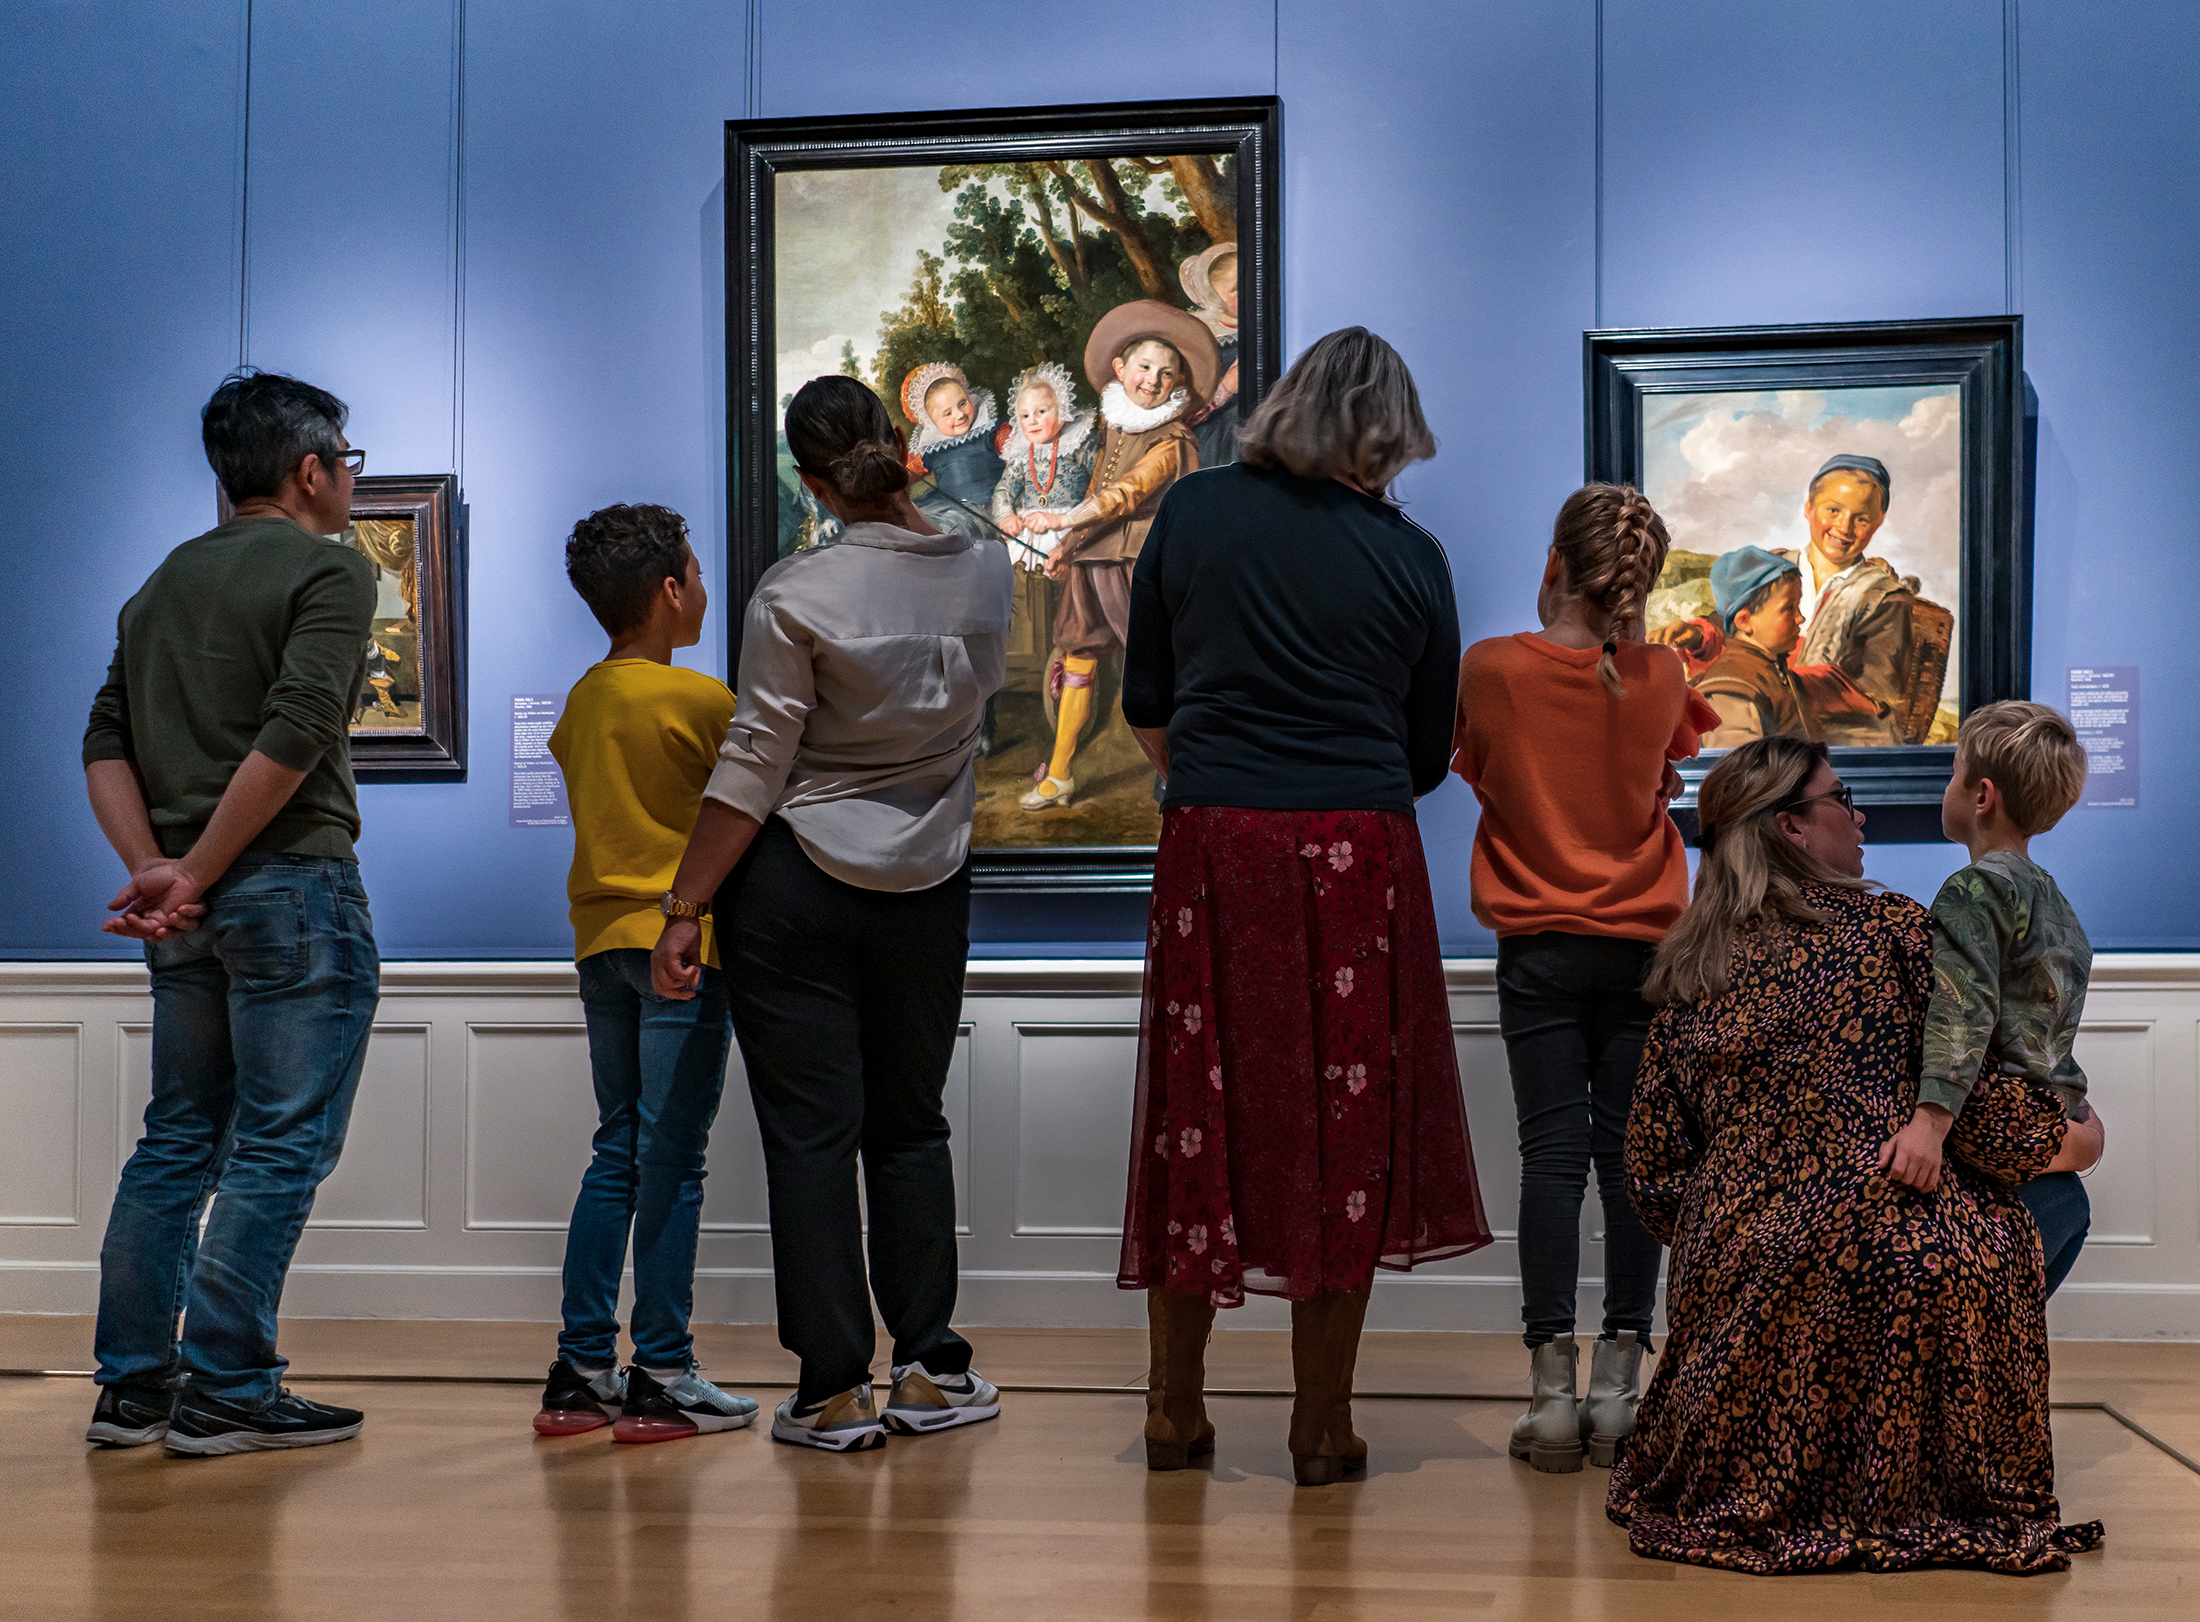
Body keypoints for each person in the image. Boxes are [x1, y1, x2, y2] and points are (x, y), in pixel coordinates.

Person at [1116, 326, 1490, 1487]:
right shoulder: (1410, 555)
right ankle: (1321, 1425)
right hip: (1355, 855)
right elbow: (1424, 758)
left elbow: (1144, 698)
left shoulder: (1192, 508)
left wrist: (1218, 776)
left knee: (1196, 1109)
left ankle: (1174, 1411)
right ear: (1389, 436)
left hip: (1214, 842)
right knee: (1345, 1125)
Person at [1608, 736, 2105, 1574]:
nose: (1860, 813)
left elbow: (1655, 1179)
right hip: (1892, 1261)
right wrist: (2080, 1138)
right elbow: (1981, 1115)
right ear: (1793, 827)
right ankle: (1920, 1440)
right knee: (2058, 1202)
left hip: (1732, 1283)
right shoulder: (1892, 931)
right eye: (1842, 798)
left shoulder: (1689, 974)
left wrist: (1747, 1219)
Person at [650, 375, 1012, 1453]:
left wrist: (685, 904)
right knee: (912, 1124)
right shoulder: (984, 566)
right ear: (900, 443)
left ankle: (832, 1390)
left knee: (813, 1137)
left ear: (811, 482)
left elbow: (754, 763)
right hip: (931, 878)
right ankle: (930, 1368)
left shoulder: (793, 591)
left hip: (796, 881)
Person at [82, 370, 380, 1456]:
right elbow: (296, 731)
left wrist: (157, 870)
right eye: (347, 460)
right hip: (293, 888)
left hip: (192, 911)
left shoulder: (162, 581)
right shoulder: (332, 569)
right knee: (279, 1144)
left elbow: (103, 738)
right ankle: (228, 1386)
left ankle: (133, 1389)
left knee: (177, 1139)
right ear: (309, 470)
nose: (351, 479)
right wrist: (195, 870)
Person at [1452, 484, 1719, 1474]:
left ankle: (1550, 1400)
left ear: (1554, 564)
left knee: (1552, 1161)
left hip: (1538, 946)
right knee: (1630, 1162)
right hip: (1646, 946)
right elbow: (1664, 769)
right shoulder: (1661, 671)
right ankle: (1619, 1393)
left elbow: (1478, 767)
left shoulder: (1491, 668)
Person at [532, 503, 759, 1445]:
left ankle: (582, 1369)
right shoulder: (702, 703)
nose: (702, 588)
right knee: (673, 1159)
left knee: (617, 1148)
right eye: (695, 573)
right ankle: (663, 1370)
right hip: (684, 945)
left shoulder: (584, 700)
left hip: (600, 945)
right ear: (670, 590)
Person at [1881, 700, 2107, 1295]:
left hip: (1998, 1134)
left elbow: (1962, 1011)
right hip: (2053, 1118)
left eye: (1953, 773)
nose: (1947, 787)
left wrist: (1929, 1125)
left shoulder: (1974, 889)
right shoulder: (2055, 900)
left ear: (1982, 796)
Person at [1019, 300, 1219, 811]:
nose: (1153, 380)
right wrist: (1068, 547)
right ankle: (1060, 773)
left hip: (1139, 563)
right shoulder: (1113, 426)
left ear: (1177, 383)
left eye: (1166, 373)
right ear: (1120, 369)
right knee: (1078, 659)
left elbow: (1127, 494)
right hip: (1094, 561)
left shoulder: (1173, 439)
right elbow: (1097, 490)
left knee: (1162, 664)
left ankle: (1179, 769)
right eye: (1144, 367)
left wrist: (1061, 521)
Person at [1777, 454, 1917, 744]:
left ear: (1878, 522)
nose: (1844, 527)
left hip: (1842, 742)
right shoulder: (1771, 568)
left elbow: (1876, 691)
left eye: (1861, 518)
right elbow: (1728, 629)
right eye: (1833, 510)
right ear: (1809, 507)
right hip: (1770, 729)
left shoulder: (1885, 598)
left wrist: (1782, 683)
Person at [1693, 545, 1821, 746]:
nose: (1800, 618)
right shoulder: (1731, 689)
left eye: (1798, 606)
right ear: (1744, 621)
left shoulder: (1774, 671)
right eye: (1788, 608)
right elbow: (1736, 760)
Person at [902, 362, 1004, 535]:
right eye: (948, 413)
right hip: (954, 513)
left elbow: (1016, 455)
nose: (960, 414)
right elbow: (908, 473)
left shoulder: (990, 431)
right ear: (931, 422)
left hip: (995, 508)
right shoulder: (932, 449)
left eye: (962, 403)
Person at [1179, 241, 1242, 468]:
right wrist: (1227, 386)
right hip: (1221, 436)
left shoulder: (1271, 321)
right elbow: (1185, 413)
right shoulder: (1201, 338)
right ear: (1215, 299)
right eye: (1236, 287)